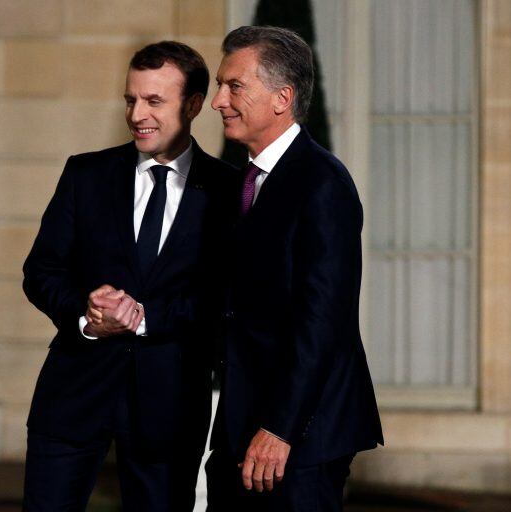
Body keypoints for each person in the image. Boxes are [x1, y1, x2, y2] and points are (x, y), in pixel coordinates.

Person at [21, 41, 236, 511]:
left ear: (194, 104)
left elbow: (226, 297)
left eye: (154, 100)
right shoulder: (86, 173)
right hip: (74, 392)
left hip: (170, 402)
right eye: (130, 99)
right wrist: (85, 312)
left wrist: (143, 318)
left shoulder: (228, 191)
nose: (137, 113)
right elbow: (41, 270)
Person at [205, 25, 383, 512]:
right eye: (221, 85)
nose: (218, 100)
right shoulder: (245, 180)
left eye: (234, 86)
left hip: (300, 435)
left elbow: (322, 320)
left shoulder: (322, 182)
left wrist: (280, 426)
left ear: (282, 97)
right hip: (244, 421)